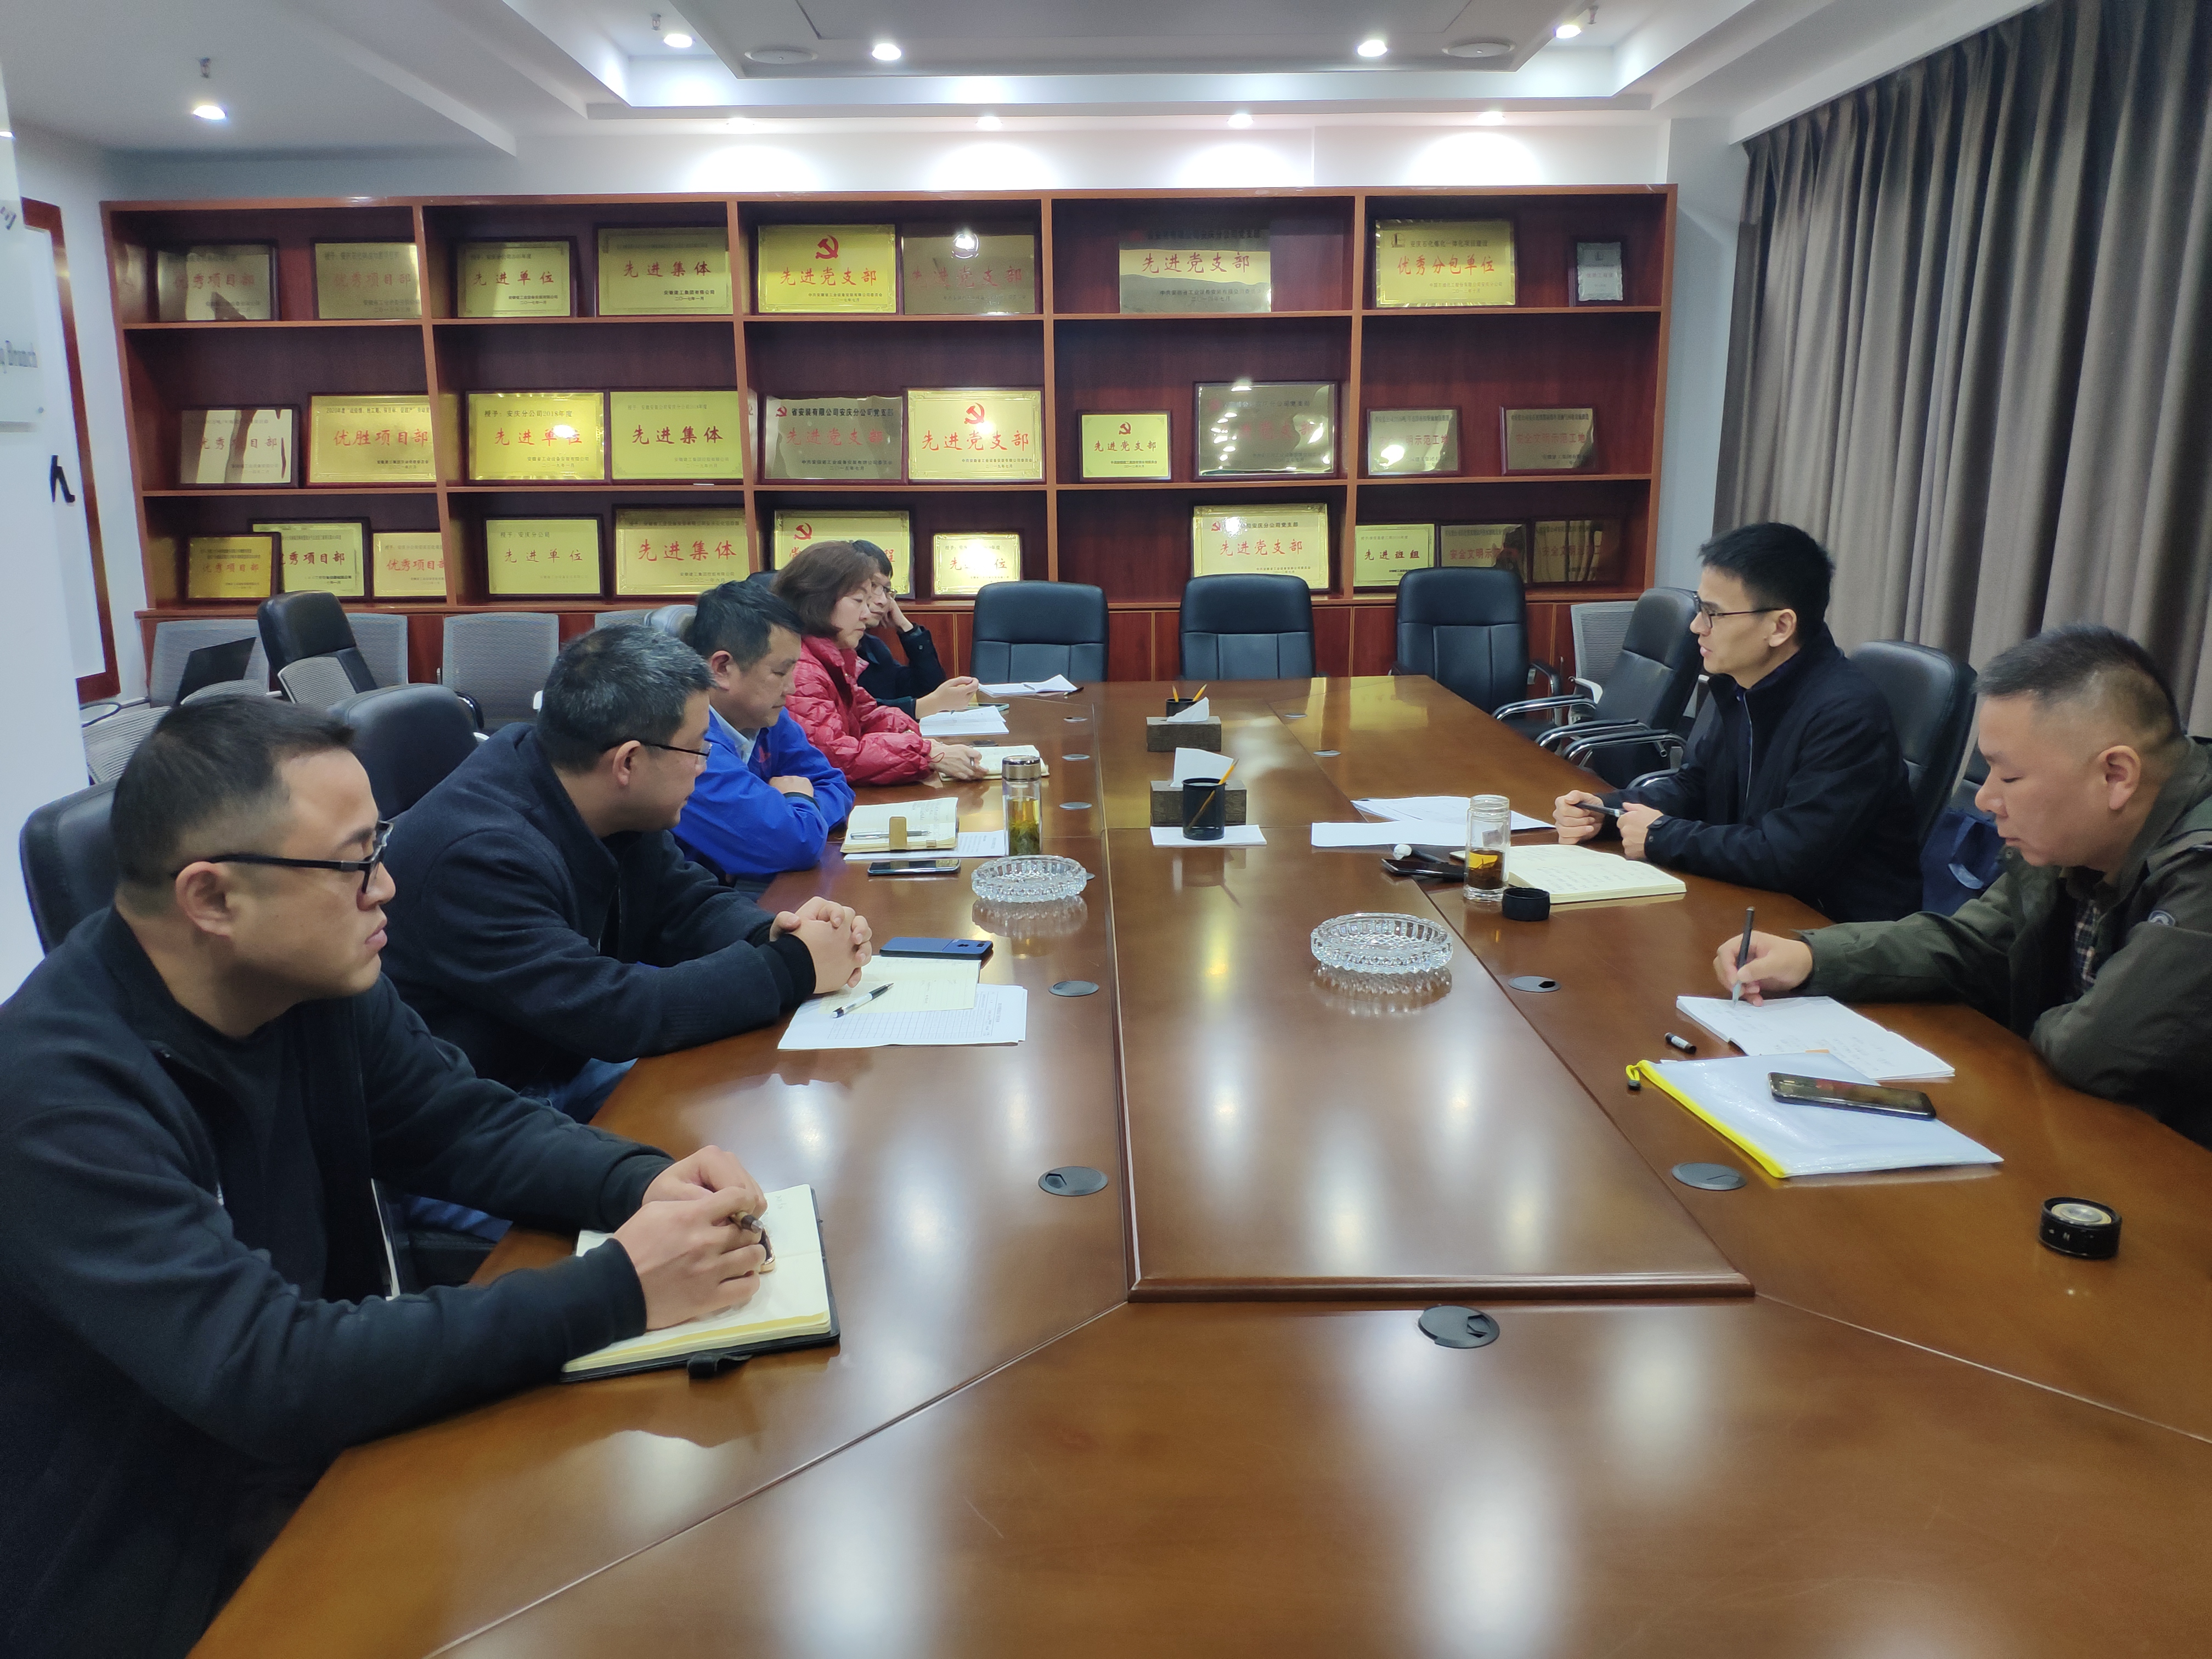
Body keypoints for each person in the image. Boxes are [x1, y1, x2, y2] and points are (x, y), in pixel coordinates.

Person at [0, 698, 774, 1659]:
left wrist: (645, 1183)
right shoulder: (57, 1095)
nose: (388, 888)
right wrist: (622, 1286)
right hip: (158, 1569)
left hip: (317, 1469)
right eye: (355, 863)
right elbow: (269, 1369)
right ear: (212, 898)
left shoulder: (303, 977)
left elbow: (459, 1120)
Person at [1720, 625, 2212, 1143]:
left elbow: (2093, 1051)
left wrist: (2030, 1013)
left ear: (2116, 775)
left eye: (2010, 778)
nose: (1985, 799)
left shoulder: (2200, 868)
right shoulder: (2073, 838)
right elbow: (1974, 944)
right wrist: (1812, 958)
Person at [382, 624, 871, 1131]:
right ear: (629, 762)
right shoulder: (478, 855)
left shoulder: (597, 793)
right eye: (698, 750)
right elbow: (611, 1011)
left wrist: (776, 933)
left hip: (559, 1054)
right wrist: (792, 966)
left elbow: (682, 904)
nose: (704, 768)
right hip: (483, 1109)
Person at [1554, 521, 1921, 922]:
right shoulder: (1742, 682)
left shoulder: (1847, 715)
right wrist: (1607, 811)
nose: (1697, 626)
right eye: (1700, 608)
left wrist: (1661, 836)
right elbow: (1697, 786)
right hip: (1748, 896)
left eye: (1713, 613)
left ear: (1780, 626)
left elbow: (1790, 855)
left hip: (1829, 927)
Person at [674, 580, 856, 895]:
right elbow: (795, 844)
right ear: (722, 668)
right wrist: (797, 801)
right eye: (780, 673)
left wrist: (791, 811)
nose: (791, 688)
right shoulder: (686, 745)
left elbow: (835, 785)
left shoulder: (766, 718)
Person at [775, 539, 986, 785]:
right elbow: (835, 756)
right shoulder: (801, 669)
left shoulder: (833, 658)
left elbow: (867, 716)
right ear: (819, 600)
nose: (867, 614)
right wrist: (928, 754)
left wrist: (922, 743)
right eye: (858, 601)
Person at [849, 539, 981, 719]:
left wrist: (907, 629)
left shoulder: (874, 648)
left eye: (887, 591)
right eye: (874, 587)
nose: (883, 601)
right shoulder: (821, 652)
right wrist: (923, 706)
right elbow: (854, 714)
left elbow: (929, 690)